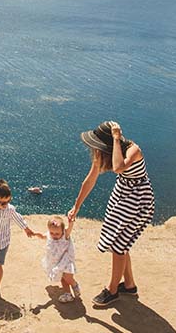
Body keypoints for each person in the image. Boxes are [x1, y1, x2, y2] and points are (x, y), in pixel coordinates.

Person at [67, 121, 154, 306]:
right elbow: (90, 180)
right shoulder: (105, 153)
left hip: (138, 199)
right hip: (122, 194)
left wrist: (115, 139)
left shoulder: (133, 150)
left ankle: (112, 290)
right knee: (121, 243)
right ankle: (129, 286)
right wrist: (77, 206)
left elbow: (118, 168)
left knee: (118, 245)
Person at [33, 216, 80, 303]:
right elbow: (43, 236)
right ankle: (68, 294)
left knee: (68, 277)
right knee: (63, 278)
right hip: (57, 262)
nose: (54, 235)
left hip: (66, 260)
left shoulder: (65, 235)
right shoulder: (49, 235)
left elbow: (70, 228)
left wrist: (71, 222)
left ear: (62, 231)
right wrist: (36, 234)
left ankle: (74, 284)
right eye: (52, 233)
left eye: (57, 234)